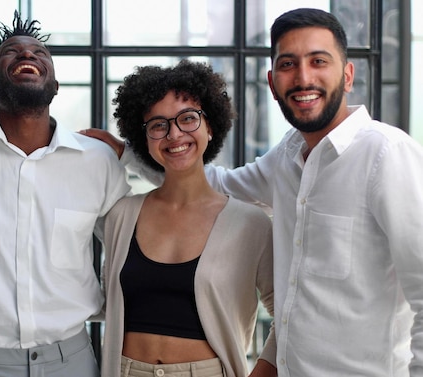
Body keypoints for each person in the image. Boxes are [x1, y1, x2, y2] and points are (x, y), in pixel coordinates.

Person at [85, 7, 423, 377]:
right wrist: (130, 152)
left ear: (347, 74)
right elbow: (213, 186)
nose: (303, 77)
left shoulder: (386, 154)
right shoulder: (288, 156)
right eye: (289, 64)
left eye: (318, 61)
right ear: (273, 81)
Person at [0, 11, 130, 377]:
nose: (28, 54)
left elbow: (133, 244)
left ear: (55, 85)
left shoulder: (96, 160)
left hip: (70, 361)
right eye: (12, 51)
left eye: (39, 53)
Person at [100, 59, 277, 377]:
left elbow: (287, 312)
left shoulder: (251, 224)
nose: (174, 134)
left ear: (210, 126)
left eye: (188, 118)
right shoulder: (120, 216)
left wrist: (263, 372)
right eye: (158, 125)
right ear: (145, 139)